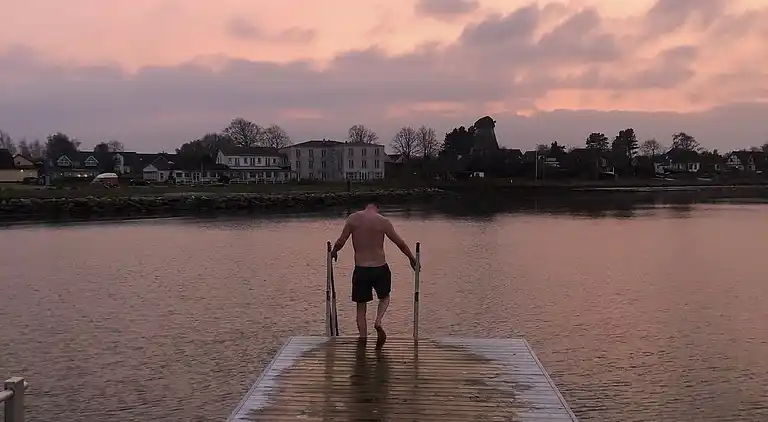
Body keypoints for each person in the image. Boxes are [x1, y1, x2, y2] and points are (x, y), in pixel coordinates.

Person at [331, 202, 418, 347]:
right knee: (384, 298)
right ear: (377, 207)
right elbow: (400, 243)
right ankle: (378, 321)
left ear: (365, 206)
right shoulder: (383, 221)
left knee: (361, 307)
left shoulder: (353, 219)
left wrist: (334, 252)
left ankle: (363, 339)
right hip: (380, 267)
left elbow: (341, 241)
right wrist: (411, 258)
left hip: (361, 269)